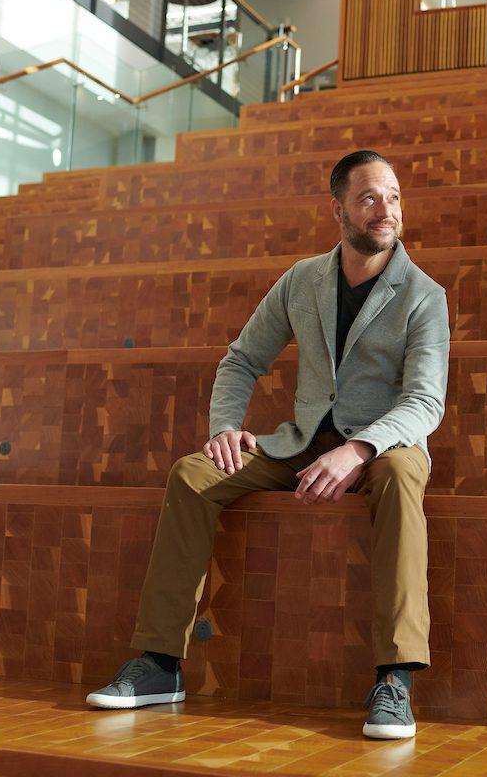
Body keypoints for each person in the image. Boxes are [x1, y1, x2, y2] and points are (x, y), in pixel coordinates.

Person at [85, 150, 450, 740]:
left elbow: (424, 403)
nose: (386, 211)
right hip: (303, 441)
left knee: (406, 476)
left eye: (393, 197)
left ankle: (395, 678)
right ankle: (160, 664)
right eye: (369, 198)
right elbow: (241, 360)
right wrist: (225, 427)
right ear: (338, 209)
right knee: (192, 474)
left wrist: (359, 450)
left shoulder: (424, 296)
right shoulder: (303, 279)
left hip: (386, 445)